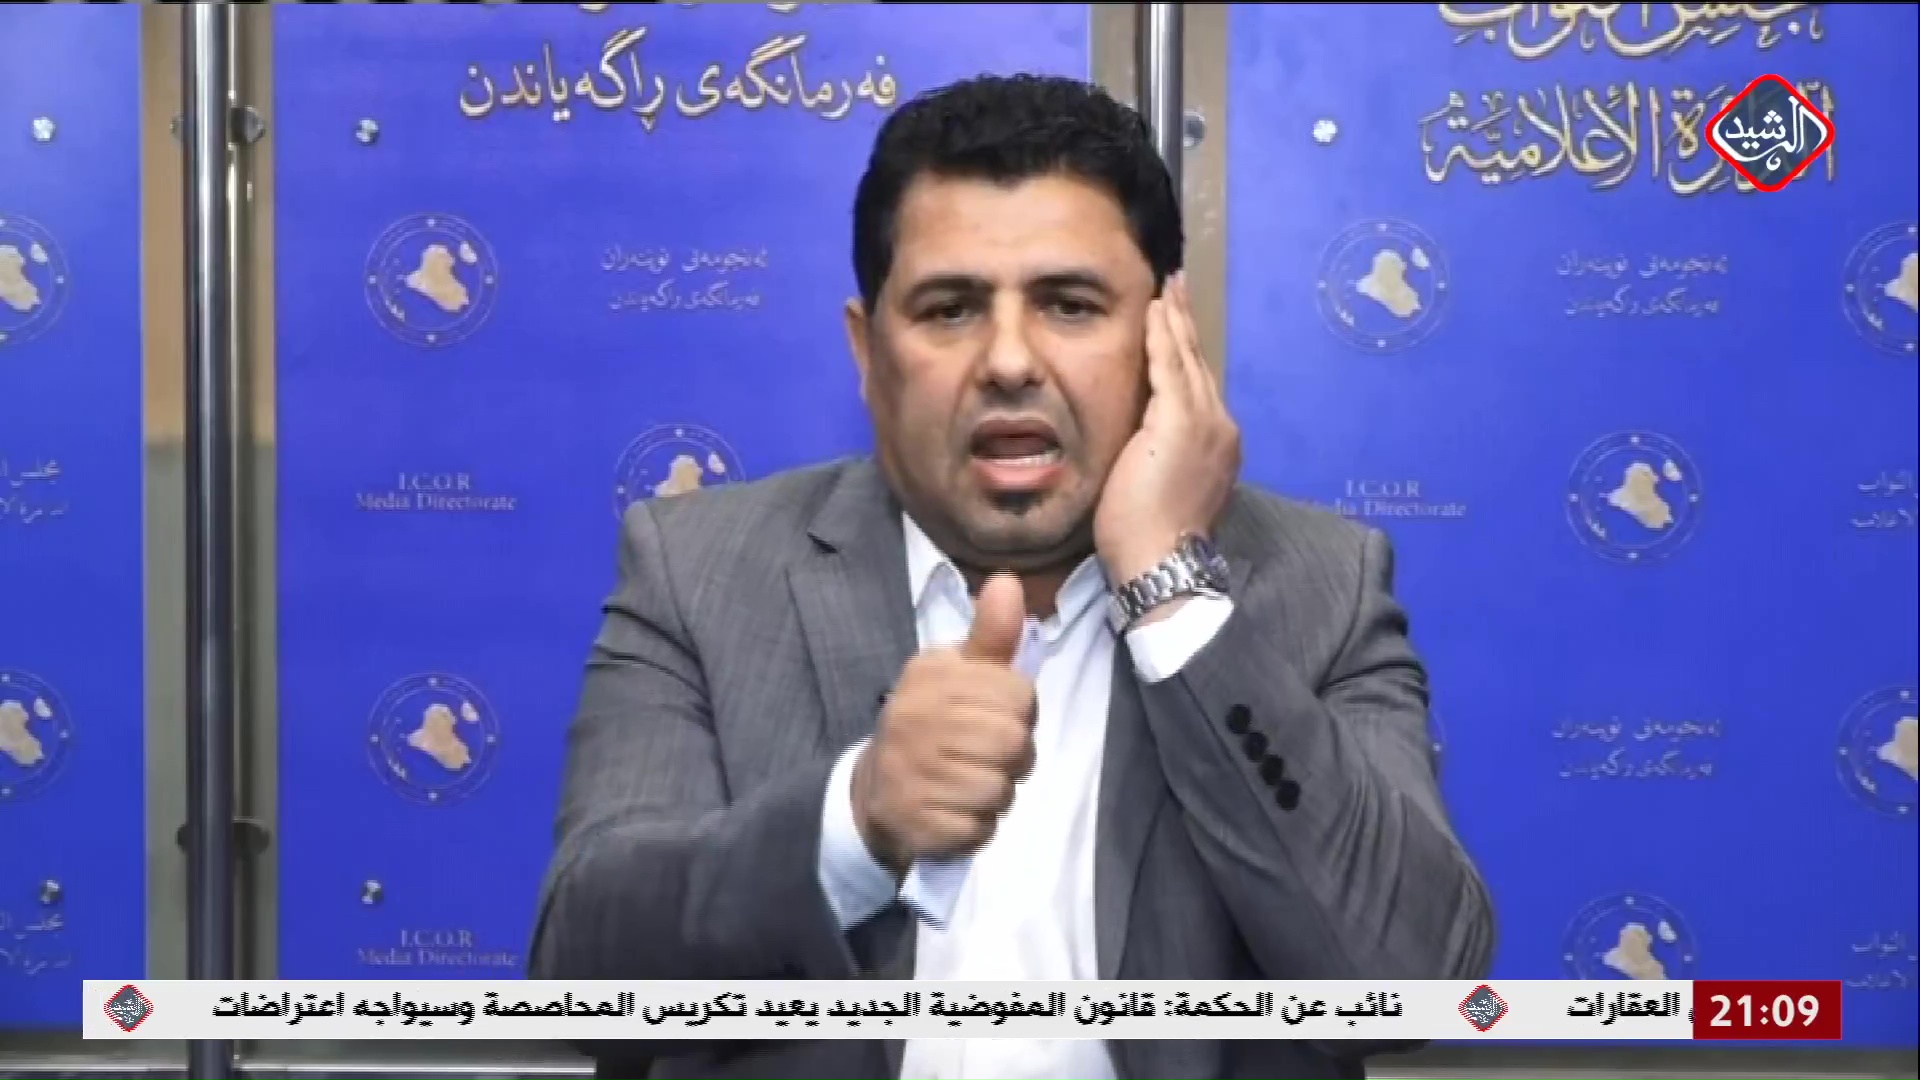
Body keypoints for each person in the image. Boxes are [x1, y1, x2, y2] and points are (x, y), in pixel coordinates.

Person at [530, 73, 1495, 1080]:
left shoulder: (1321, 583)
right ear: (867, 352)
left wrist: (1170, 589)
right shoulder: (698, 570)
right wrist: (854, 823)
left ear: (1166, 337)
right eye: (949, 309)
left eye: (1069, 305)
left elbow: (1413, 981)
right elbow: (586, 978)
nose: (1007, 361)